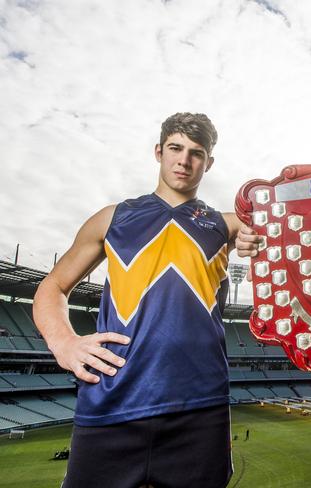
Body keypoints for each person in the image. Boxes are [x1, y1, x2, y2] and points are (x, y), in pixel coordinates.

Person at [33, 113, 240, 488]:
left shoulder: (227, 225)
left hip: (200, 408)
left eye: (197, 153)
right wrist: (64, 342)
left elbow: (284, 226)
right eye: (176, 148)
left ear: (208, 163)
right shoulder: (113, 218)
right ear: (158, 152)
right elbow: (53, 287)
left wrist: (257, 239)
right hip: (112, 403)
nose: (184, 160)